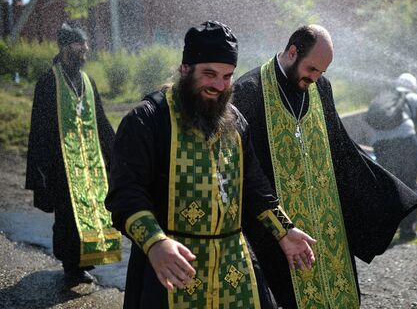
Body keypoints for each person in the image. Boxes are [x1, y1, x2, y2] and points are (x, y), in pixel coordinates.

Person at [105, 21, 316, 308]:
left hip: (233, 267)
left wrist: (285, 230)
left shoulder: (235, 121)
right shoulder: (147, 120)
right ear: (185, 69)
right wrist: (155, 243)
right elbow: (125, 194)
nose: (219, 85)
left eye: (227, 76)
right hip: (172, 266)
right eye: (209, 74)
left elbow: (255, 187)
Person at [232, 25, 417, 308]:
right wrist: (279, 227)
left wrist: (387, 195)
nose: (316, 77)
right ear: (293, 52)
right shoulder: (249, 90)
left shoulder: (321, 87)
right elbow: (248, 171)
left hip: (326, 224)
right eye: (311, 69)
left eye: (322, 71)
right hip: (279, 231)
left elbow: (342, 148)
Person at [25, 23, 121, 286]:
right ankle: (71, 266)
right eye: (80, 44)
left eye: (86, 44)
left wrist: (116, 154)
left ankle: (85, 261)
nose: (85, 49)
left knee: (93, 211)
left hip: (90, 164)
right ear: (67, 47)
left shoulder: (88, 82)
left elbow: (100, 121)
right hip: (61, 165)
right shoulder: (48, 82)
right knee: (67, 217)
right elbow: (40, 130)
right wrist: (40, 173)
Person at [371, 73, 417, 240]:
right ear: (413, 86)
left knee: (389, 185)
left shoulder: (383, 98)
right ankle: (408, 231)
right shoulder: (414, 98)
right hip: (405, 141)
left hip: (380, 144)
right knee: (408, 184)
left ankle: (386, 233)